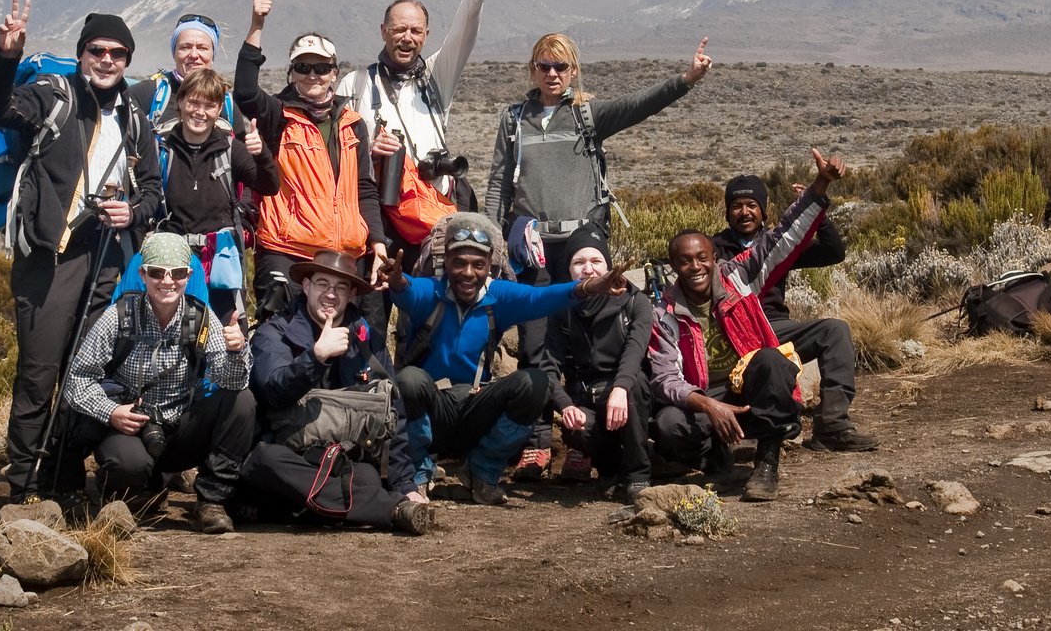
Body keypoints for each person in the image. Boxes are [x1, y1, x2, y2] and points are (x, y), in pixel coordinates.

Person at [485, 31, 713, 475]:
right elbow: (498, 182)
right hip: (532, 251)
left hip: (582, 251)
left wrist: (687, 78)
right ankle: (537, 440)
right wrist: (492, 239)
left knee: (586, 341)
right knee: (535, 344)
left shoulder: (588, 115)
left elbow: (639, 104)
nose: (552, 74)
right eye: (543, 66)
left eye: (561, 67)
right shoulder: (513, 119)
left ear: (574, 70)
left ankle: (580, 442)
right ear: (532, 69)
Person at [0, 0, 165, 500]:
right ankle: (21, 486)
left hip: (105, 259)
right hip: (48, 258)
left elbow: (152, 189)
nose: (107, 60)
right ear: (82, 54)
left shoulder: (135, 117)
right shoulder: (53, 95)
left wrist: (135, 212)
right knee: (39, 371)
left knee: (86, 373)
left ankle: (59, 481)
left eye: (118, 53)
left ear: (127, 60)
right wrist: (6, 58)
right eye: (97, 50)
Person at [385, 212, 630, 506]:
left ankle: (481, 471)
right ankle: (420, 476)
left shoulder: (498, 297)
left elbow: (540, 298)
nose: (468, 273)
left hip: (475, 408)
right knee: (409, 379)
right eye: (458, 263)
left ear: (490, 266)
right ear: (445, 263)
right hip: (433, 411)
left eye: (478, 265)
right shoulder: (431, 292)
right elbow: (408, 293)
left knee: (536, 384)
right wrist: (397, 281)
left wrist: (589, 287)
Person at [646, 149, 844, 502]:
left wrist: (821, 182)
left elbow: (785, 234)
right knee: (667, 427)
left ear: (714, 258)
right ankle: (713, 458)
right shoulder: (665, 313)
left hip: (746, 388)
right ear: (673, 266)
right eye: (685, 261)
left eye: (702, 259)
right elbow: (664, 378)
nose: (695, 267)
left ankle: (767, 464)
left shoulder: (738, 277)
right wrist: (708, 406)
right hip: (708, 398)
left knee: (771, 361)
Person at [64, 233, 255, 533]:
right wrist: (111, 413)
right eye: (157, 272)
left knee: (242, 402)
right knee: (129, 466)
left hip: (180, 430)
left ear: (189, 275)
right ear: (142, 274)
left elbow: (230, 380)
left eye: (177, 273)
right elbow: (77, 378)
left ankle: (211, 501)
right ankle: (135, 488)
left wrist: (236, 351)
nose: (167, 281)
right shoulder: (119, 318)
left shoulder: (199, 319)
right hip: (131, 429)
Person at [241, 250, 434, 534]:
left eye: (340, 288)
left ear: (352, 294)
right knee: (264, 461)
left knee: (367, 476)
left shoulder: (369, 342)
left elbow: (393, 418)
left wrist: (405, 485)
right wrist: (315, 357)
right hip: (285, 458)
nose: (330, 295)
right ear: (306, 286)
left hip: (339, 461)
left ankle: (287, 513)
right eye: (322, 284)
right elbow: (273, 392)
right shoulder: (273, 333)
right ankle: (390, 510)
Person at [234, 0, 387, 322]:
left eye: (321, 67)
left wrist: (378, 243)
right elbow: (245, 91)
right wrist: (257, 26)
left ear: (334, 72)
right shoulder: (277, 114)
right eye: (303, 67)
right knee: (279, 339)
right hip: (288, 250)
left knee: (348, 348)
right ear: (291, 72)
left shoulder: (353, 123)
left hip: (345, 254)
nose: (312, 75)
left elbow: (364, 189)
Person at [337, 0, 491, 256]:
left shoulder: (436, 77)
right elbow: (334, 153)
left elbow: (464, 33)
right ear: (383, 31)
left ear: (426, 36)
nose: (407, 38)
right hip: (377, 215)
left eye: (416, 31)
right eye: (399, 30)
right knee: (374, 304)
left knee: (429, 304)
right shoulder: (355, 84)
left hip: (433, 211)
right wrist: (369, 152)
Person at [710, 174, 877, 452]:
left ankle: (833, 425)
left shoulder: (778, 244)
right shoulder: (713, 247)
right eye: (736, 205)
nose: (744, 212)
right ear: (727, 212)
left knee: (835, 330)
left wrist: (817, 216)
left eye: (752, 204)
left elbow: (833, 252)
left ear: (764, 210)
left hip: (777, 326)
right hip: (736, 332)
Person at [155, 67, 280, 320]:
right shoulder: (162, 149)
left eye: (209, 105)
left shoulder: (231, 149)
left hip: (220, 266)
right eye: (193, 102)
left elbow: (269, 186)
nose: (200, 112)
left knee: (227, 336)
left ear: (219, 109)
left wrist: (262, 153)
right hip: (172, 263)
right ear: (180, 102)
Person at [540, 223, 653, 502]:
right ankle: (611, 471)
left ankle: (639, 475)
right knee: (574, 426)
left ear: (609, 266)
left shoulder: (635, 302)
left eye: (596, 261)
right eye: (579, 262)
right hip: (588, 396)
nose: (588, 269)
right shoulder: (562, 311)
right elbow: (548, 366)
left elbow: (635, 351)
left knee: (635, 384)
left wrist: (620, 387)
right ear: (568, 269)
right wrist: (564, 404)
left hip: (629, 391)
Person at [128, 13, 241, 132]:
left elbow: (242, 147)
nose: (193, 55)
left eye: (202, 48)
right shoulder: (152, 93)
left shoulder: (227, 103)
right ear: (174, 53)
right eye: (185, 47)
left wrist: (258, 149)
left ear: (212, 54)